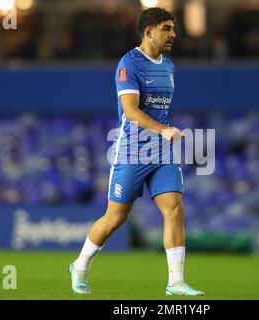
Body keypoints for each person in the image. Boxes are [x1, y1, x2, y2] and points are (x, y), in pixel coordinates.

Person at [69, 7, 204, 296]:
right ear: (148, 31)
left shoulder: (168, 65)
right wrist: (162, 129)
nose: (173, 34)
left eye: (173, 28)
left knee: (175, 208)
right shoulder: (128, 65)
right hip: (132, 150)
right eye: (167, 28)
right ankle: (79, 266)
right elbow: (130, 111)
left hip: (161, 151)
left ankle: (176, 283)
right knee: (115, 218)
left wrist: (162, 134)